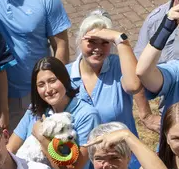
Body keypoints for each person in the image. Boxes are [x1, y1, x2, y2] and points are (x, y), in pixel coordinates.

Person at [7, 57, 101, 169]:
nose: (48, 89)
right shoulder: (34, 111)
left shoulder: (87, 115)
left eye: (52, 81)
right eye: (41, 84)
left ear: (64, 79)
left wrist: (42, 138)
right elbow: (10, 151)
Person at [67, 10, 157, 155]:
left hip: (122, 158)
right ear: (79, 41)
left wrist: (119, 38)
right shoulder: (63, 76)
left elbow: (134, 85)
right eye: (91, 41)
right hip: (81, 164)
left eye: (105, 42)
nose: (98, 48)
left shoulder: (119, 66)